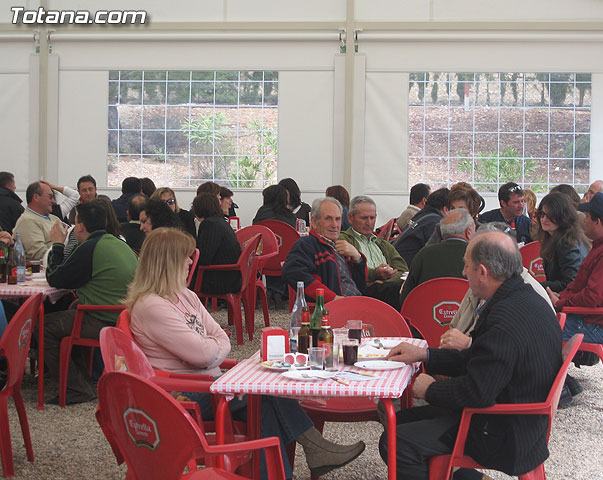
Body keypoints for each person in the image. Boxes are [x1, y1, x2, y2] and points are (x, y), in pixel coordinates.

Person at [127, 227, 365, 479]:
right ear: (166, 262)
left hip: (209, 382)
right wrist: (211, 348)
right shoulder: (151, 306)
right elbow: (204, 354)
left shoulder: (183, 295)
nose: (190, 261)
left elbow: (220, 335)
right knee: (264, 389)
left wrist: (211, 347)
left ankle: (295, 464)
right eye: (184, 257)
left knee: (264, 399)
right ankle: (315, 450)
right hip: (181, 394)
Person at [379, 231, 562, 480]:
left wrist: (431, 389)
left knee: (395, 442)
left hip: (502, 431)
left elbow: (477, 392)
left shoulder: (504, 319)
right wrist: (425, 355)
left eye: (466, 266)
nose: (464, 273)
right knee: (400, 422)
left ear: (483, 272)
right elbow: (478, 357)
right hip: (522, 420)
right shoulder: (525, 297)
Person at [546, 193, 603, 401]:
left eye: (587, 216)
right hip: (594, 320)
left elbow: (592, 298)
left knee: (537, 332)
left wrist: (559, 303)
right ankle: (566, 382)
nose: (583, 221)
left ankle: (558, 391)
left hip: (592, 325)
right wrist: (560, 297)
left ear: (597, 221)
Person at [43, 201, 138, 404]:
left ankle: (75, 389)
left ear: (80, 226)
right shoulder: (117, 243)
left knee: (44, 327)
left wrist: (58, 244)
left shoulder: (90, 247)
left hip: (104, 318)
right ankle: (83, 381)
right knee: (68, 315)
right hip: (126, 315)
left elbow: (56, 278)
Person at [439, 222, 554, 352]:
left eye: (467, 264)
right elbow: (455, 327)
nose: (464, 272)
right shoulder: (484, 286)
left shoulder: (525, 296)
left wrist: (468, 344)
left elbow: (511, 353)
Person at [282, 197, 367, 302]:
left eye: (338, 219)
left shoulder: (342, 246)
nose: (334, 225)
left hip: (357, 301)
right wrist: (332, 298)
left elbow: (362, 285)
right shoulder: (306, 244)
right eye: (328, 218)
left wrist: (357, 257)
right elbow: (292, 272)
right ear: (314, 222)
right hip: (333, 308)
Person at [339, 196, 408, 310]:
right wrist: (375, 274)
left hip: (387, 290)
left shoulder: (382, 244)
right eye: (364, 218)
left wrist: (384, 281)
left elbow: (404, 272)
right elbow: (347, 272)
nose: (369, 223)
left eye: (372, 218)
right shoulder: (344, 240)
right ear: (350, 218)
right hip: (363, 293)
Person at [400, 209, 475, 306]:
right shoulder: (477, 256)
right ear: (468, 232)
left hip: (425, 317)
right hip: (466, 318)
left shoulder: (424, 254)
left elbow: (405, 298)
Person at [537, 192, 590, 292]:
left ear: (563, 217)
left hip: (568, 302)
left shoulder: (567, 243)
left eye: (550, 215)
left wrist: (539, 286)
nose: (544, 219)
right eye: (542, 214)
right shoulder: (562, 238)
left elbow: (570, 283)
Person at [190, 193, 241, 294]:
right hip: (232, 276)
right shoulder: (221, 222)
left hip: (219, 280)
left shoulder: (209, 224)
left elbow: (204, 258)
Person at [393, 187, 449, 266]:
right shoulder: (435, 222)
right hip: (405, 267)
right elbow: (437, 254)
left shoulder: (422, 215)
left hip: (397, 260)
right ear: (446, 209)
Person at [13, 181, 63, 261]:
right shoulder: (27, 221)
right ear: (36, 197)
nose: (53, 201)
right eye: (50, 197)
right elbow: (39, 254)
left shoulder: (54, 218)